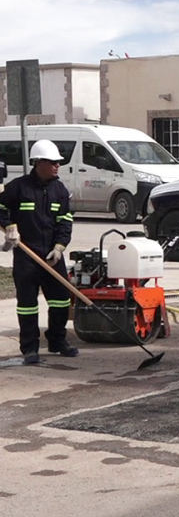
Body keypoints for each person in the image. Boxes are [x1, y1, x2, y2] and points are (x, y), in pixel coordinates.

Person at [0, 139, 77, 364]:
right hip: (27, 256)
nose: (57, 166)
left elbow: (65, 221)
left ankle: (57, 341)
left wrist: (59, 247)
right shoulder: (19, 187)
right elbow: (1, 207)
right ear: (38, 162)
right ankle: (30, 349)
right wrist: (10, 227)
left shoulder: (60, 190)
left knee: (62, 300)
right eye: (52, 162)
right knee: (27, 304)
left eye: (58, 163)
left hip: (52, 255)